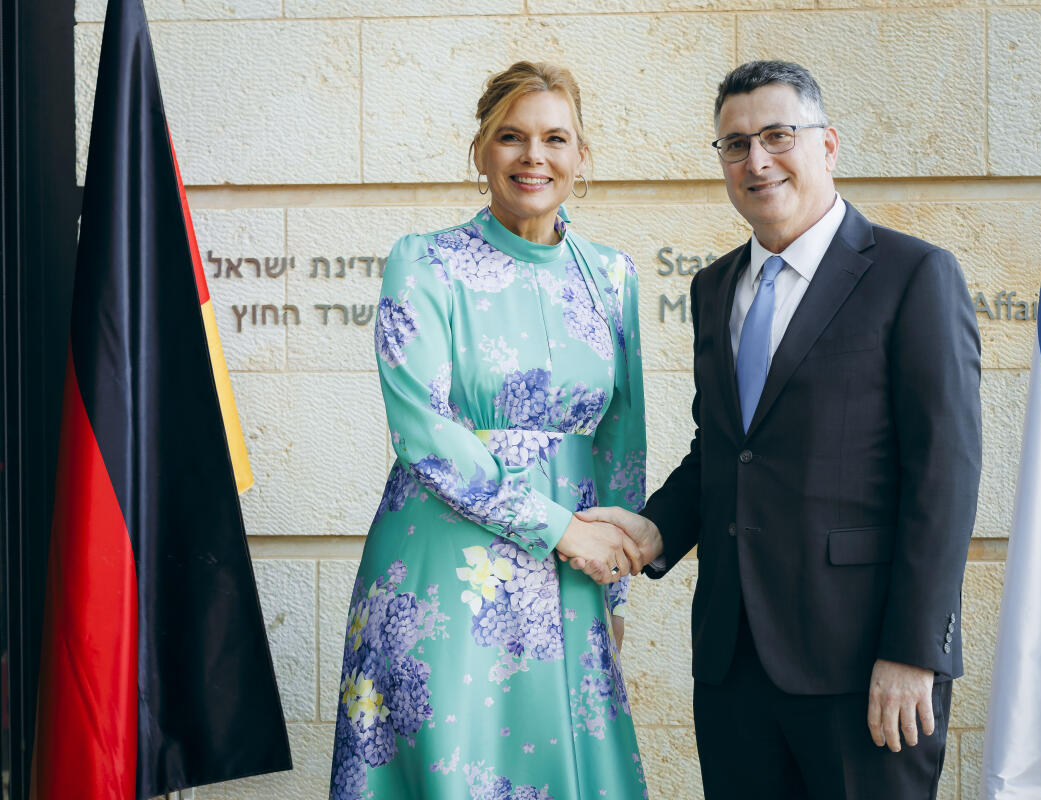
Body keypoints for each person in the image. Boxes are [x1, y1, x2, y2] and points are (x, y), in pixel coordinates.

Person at [580, 60, 982, 798]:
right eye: (735, 144)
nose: (757, 160)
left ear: (827, 145)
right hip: (734, 665)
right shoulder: (714, 288)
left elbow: (945, 475)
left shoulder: (913, 275)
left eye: (776, 135)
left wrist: (912, 652)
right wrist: (654, 531)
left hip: (865, 664)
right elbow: (726, 451)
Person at [329, 61, 649, 800]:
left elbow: (621, 444)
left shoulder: (613, 277)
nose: (533, 156)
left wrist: (614, 587)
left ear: (580, 155)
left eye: (554, 138)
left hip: (575, 580)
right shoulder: (424, 264)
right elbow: (424, 435)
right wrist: (564, 531)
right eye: (511, 137)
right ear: (481, 152)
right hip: (443, 578)